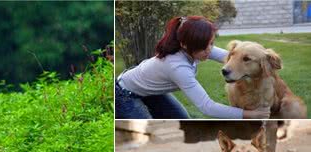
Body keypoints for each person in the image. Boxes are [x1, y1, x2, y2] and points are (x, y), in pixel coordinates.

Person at [115, 16, 270, 119]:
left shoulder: (195, 47)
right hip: (125, 94)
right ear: (184, 44)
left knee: (182, 119)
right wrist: (250, 114)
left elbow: (230, 57)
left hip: (150, 90)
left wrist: (256, 59)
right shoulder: (177, 67)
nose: (209, 50)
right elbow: (207, 107)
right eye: (204, 47)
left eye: (211, 43)